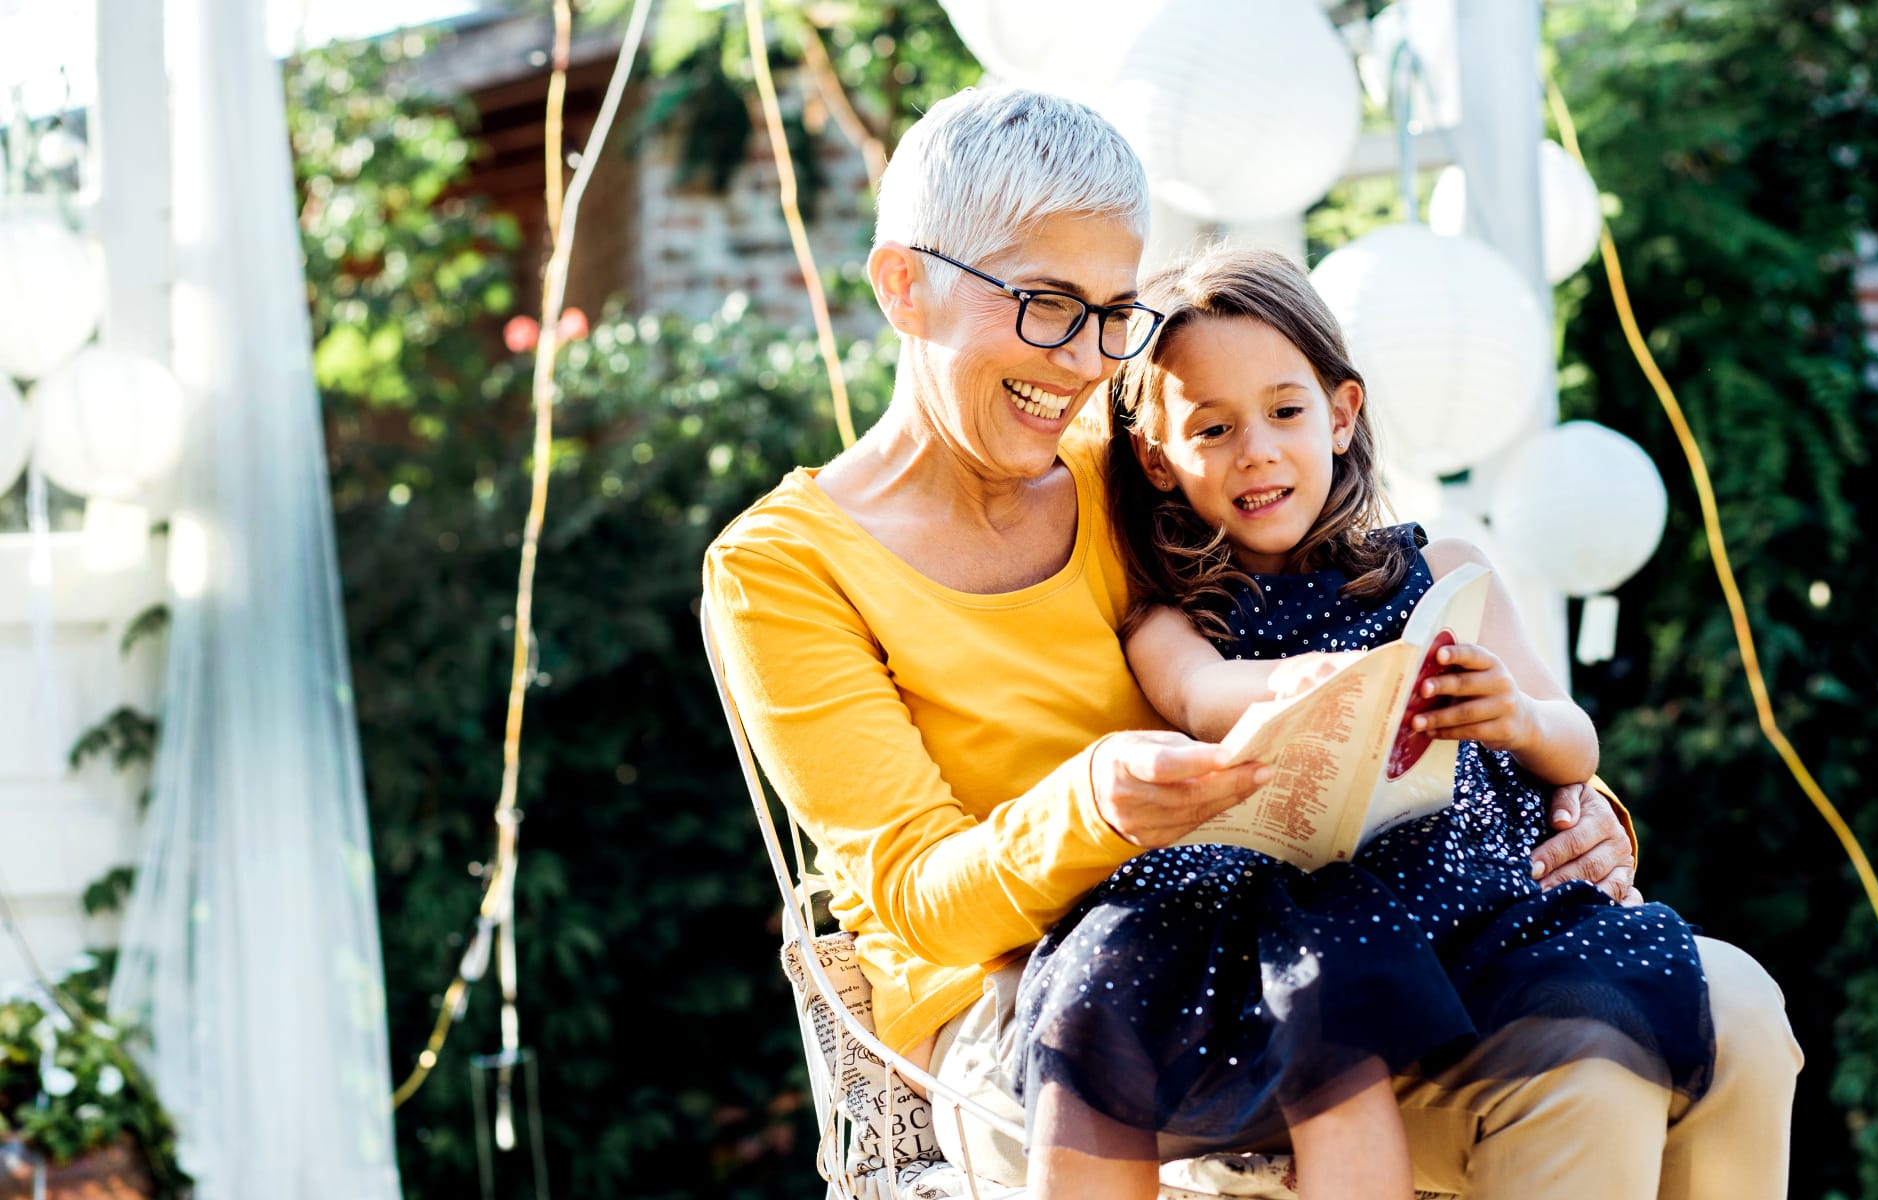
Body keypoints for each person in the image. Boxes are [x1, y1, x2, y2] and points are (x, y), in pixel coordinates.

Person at [701, 85, 1800, 1200]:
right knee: (1588, 1072)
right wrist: (1091, 810)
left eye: (1110, 311)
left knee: (1736, 1008)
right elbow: (918, 900)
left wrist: (1577, 805)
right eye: (1043, 304)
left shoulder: (1133, 463)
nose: (1082, 361)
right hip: (1045, 1018)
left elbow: (1357, 600)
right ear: (903, 285)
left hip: (1315, 926)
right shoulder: (785, 567)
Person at [1003, 244, 1718, 1200]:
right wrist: (1310, 683)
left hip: (1451, 890)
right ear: (1157, 460)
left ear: (1341, 415)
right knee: (1187, 977)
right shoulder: (1173, 618)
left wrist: (1512, 720)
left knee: (1634, 1007)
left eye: (1286, 412)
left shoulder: (1441, 569)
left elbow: (1576, 742)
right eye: (1212, 428)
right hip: (1282, 903)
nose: (1257, 449)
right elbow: (1201, 696)